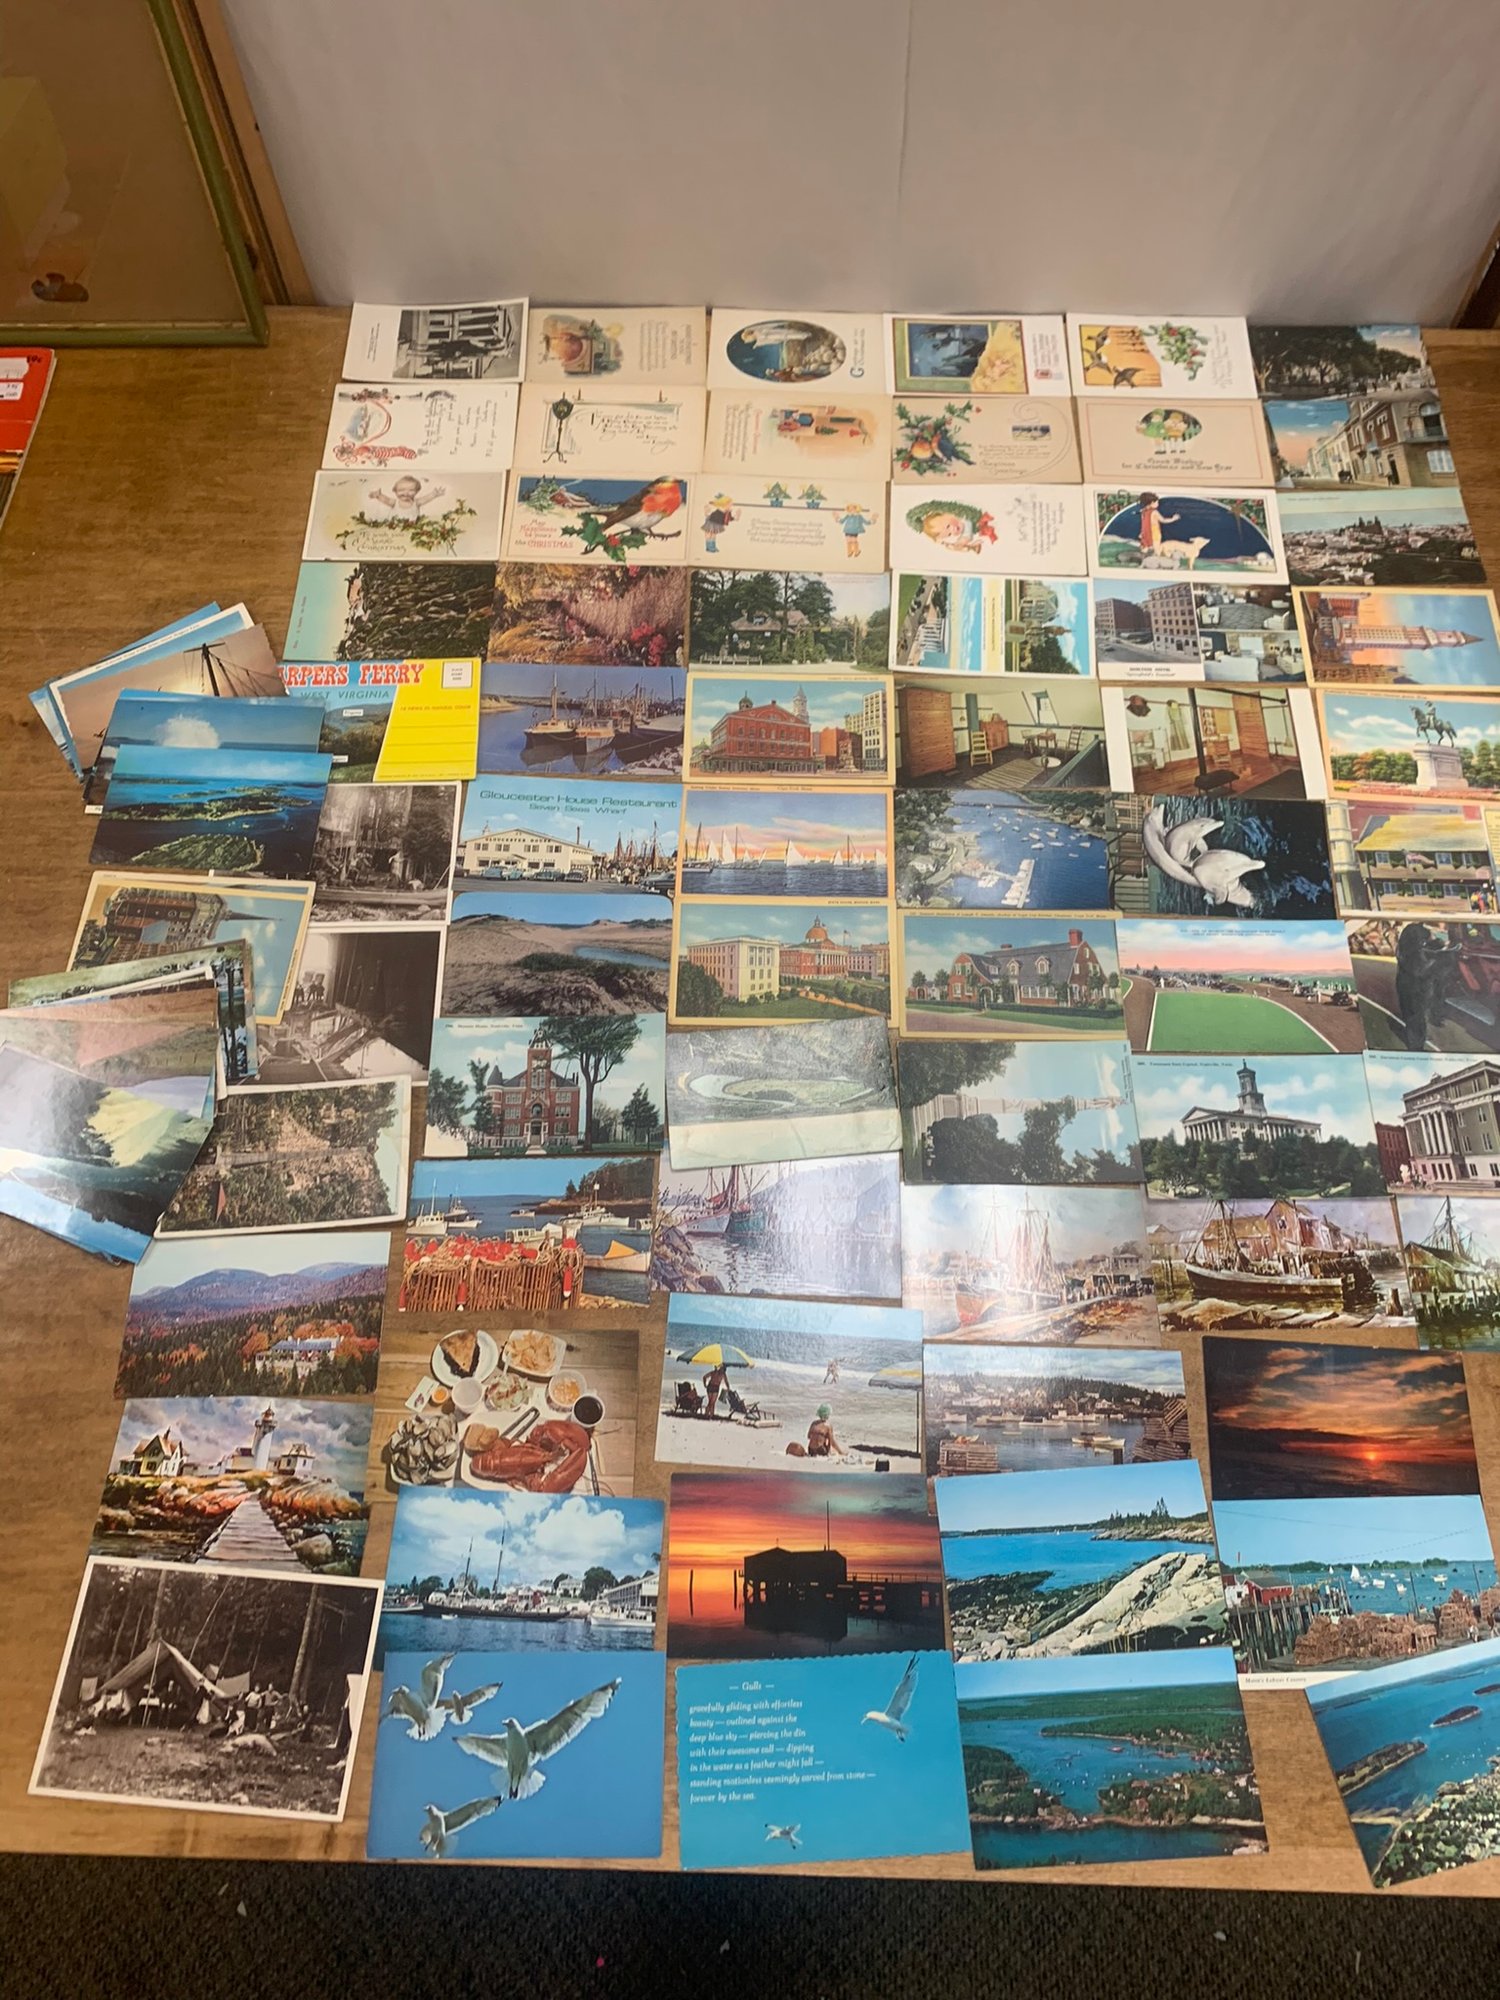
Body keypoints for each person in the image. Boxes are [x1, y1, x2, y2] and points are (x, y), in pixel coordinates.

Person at [1137, 493, 1180, 557]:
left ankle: (1142, 557)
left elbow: (1143, 523)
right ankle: (1159, 557)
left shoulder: (1143, 511)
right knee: (1156, 548)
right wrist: (1173, 519)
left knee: (1145, 547)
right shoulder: (1154, 512)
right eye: (1157, 502)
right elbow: (1163, 520)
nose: (1158, 504)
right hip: (1154, 533)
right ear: (1152, 503)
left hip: (1145, 533)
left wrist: (1141, 533)